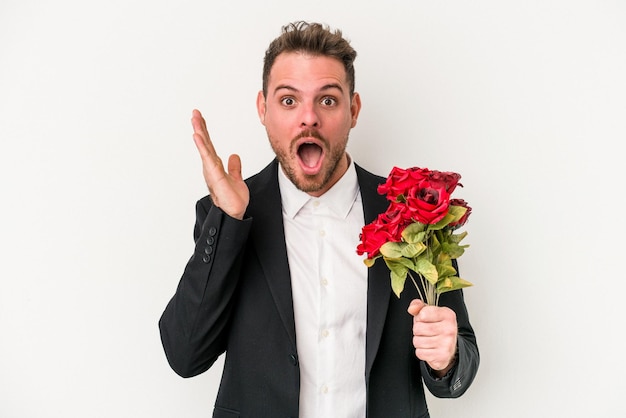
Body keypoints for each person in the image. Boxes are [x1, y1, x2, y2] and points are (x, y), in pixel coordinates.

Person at [159, 21, 479, 418]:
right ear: (263, 109)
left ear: (353, 109)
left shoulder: (414, 211)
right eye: (289, 101)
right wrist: (229, 220)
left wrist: (446, 357)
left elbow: (460, 356)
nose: (308, 118)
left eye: (327, 100)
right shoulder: (225, 216)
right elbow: (184, 354)